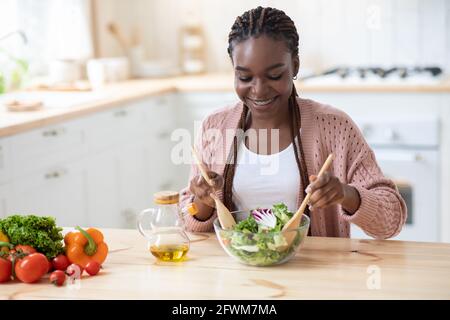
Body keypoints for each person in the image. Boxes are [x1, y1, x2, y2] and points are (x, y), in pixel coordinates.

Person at [180, 6, 407, 239]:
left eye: (274, 76)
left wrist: (345, 195)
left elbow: (391, 220)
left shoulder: (335, 127)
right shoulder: (214, 127)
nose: (258, 90)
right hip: (235, 272)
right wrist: (202, 201)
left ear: (295, 66)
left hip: (315, 273)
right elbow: (187, 217)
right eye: (245, 77)